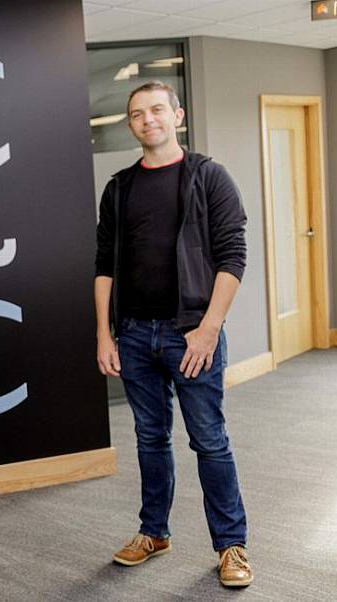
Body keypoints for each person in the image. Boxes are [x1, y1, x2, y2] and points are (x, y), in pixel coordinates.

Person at [94, 81, 252, 588]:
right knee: (149, 438)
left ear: (177, 116)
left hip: (191, 335)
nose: (148, 119)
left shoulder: (208, 177)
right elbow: (103, 267)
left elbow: (233, 257)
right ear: (131, 124)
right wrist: (104, 333)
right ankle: (153, 532)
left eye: (157, 110)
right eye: (137, 114)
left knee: (209, 440)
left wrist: (208, 330)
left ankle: (231, 546)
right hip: (135, 334)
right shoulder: (119, 188)